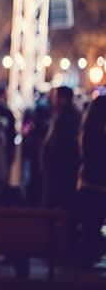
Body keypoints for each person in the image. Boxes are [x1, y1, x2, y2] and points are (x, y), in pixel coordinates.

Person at [76, 95, 106, 267]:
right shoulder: (99, 134)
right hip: (99, 184)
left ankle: (87, 257)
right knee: (93, 224)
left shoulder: (87, 131)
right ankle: (90, 255)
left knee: (90, 225)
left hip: (88, 182)